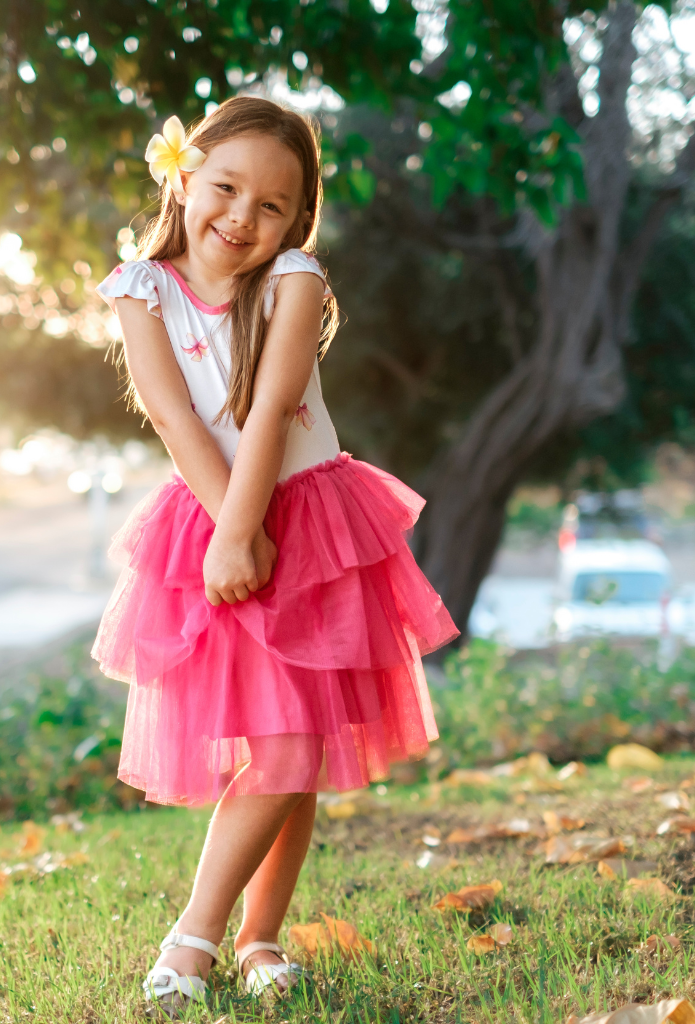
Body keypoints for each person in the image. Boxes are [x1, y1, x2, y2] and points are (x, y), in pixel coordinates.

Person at [92, 96, 458, 1016]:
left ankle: (229, 938)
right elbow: (176, 417)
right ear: (183, 177)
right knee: (283, 746)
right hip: (215, 522)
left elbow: (269, 409)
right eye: (225, 188)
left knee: (301, 744)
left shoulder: (295, 279)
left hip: (310, 519)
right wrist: (228, 532)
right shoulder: (139, 288)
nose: (242, 217)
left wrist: (244, 531)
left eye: (273, 204)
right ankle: (219, 936)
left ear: (299, 218)